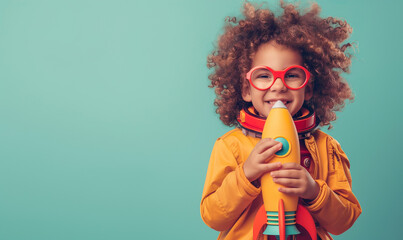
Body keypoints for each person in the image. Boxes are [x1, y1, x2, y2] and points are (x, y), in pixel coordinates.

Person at [200, 1, 362, 240]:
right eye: (263, 75)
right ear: (246, 89)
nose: (278, 85)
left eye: (292, 75)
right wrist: (246, 176)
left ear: (308, 89)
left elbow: (344, 221)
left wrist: (314, 191)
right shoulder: (230, 146)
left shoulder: (327, 148)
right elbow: (213, 216)